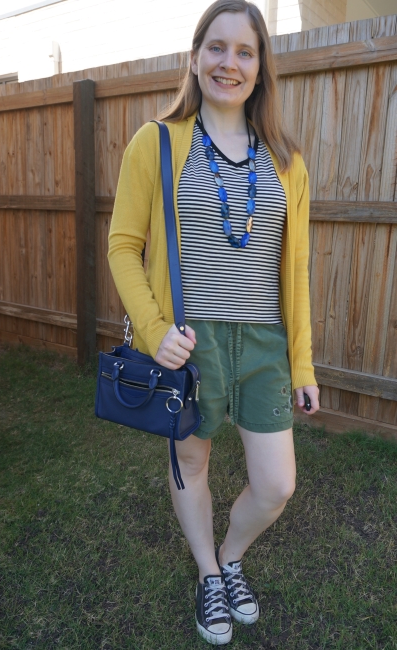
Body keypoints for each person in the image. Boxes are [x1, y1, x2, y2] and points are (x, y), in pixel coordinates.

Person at [108, 0, 319, 644]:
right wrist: (152, 331)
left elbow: (298, 271)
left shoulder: (287, 161)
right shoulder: (157, 141)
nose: (231, 62)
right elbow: (123, 245)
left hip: (263, 344)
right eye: (218, 48)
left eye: (245, 51)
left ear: (261, 67)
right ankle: (209, 576)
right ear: (195, 58)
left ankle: (231, 556)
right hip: (188, 342)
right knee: (192, 465)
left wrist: (303, 364)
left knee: (277, 483)